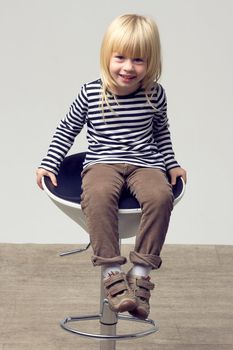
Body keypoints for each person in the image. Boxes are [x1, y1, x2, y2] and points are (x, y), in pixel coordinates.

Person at [36, 14, 187, 320]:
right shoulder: (92, 92)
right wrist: (49, 161)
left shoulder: (155, 94)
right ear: (107, 56)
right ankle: (111, 271)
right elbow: (67, 128)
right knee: (99, 195)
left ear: (152, 62)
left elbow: (161, 132)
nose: (128, 67)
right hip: (103, 161)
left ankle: (141, 273)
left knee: (160, 197)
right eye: (120, 57)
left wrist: (171, 164)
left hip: (146, 162)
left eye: (139, 60)